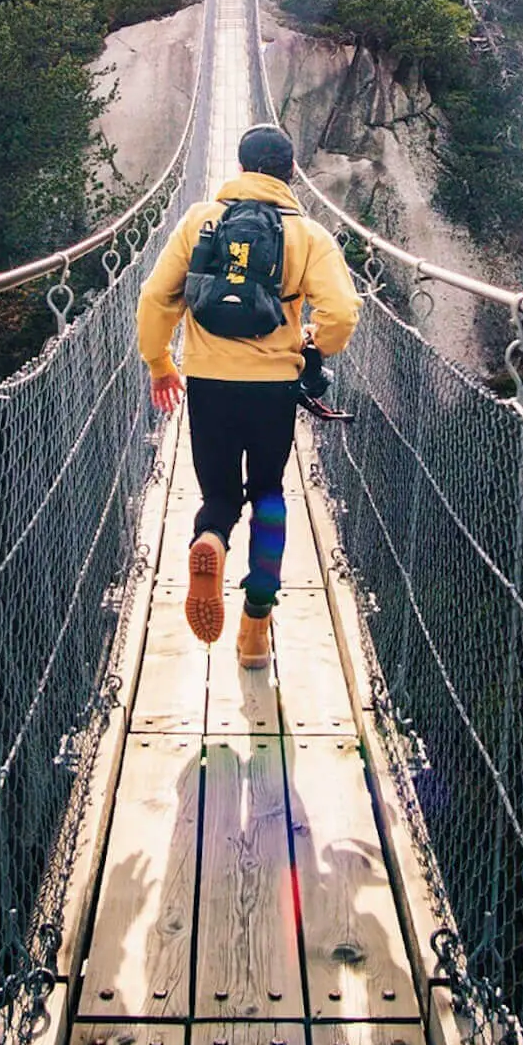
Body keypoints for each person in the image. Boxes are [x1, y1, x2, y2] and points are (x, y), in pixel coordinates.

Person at [136, 124, 360, 667]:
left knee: (219, 495)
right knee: (268, 496)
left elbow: (154, 296)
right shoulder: (308, 235)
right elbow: (342, 314)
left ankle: (209, 538)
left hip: (209, 384)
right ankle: (256, 626)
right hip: (273, 390)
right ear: (289, 174)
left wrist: (160, 363)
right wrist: (311, 344)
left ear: (239, 170)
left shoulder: (199, 221)